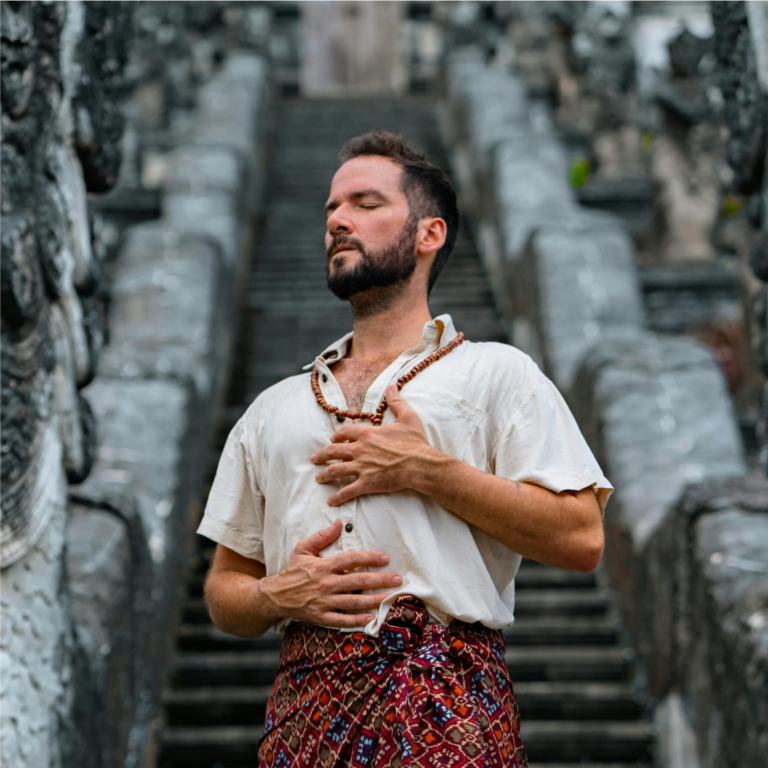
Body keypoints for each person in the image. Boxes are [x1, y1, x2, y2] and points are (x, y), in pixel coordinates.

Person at [197, 129, 614, 768]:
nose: (337, 220)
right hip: (306, 709)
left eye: (365, 204)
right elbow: (226, 585)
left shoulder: (497, 374)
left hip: (452, 701)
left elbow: (581, 537)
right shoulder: (272, 409)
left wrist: (430, 470)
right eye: (332, 209)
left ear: (429, 234)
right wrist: (277, 597)